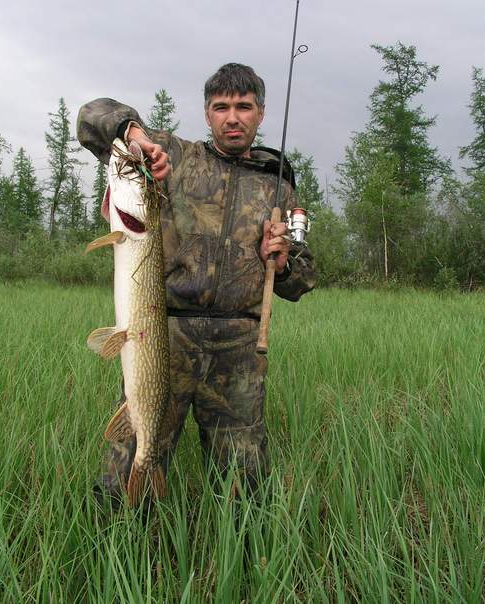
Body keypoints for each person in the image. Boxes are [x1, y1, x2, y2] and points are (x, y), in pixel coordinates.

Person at [77, 62, 315, 505]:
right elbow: (92, 117)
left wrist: (282, 263)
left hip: (239, 347)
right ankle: (117, 538)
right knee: (126, 470)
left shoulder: (278, 186)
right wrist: (135, 134)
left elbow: (302, 280)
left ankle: (241, 547)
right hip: (163, 334)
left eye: (244, 107)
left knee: (245, 486)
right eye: (221, 107)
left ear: (261, 113)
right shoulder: (175, 156)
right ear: (207, 113)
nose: (232, 118)